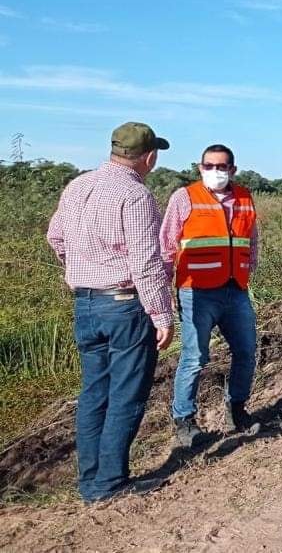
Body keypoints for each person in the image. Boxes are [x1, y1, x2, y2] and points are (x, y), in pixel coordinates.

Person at [46, 122, 175, 503]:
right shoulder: (135, 195)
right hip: (124, 305)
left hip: (86, 303)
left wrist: (81, 267)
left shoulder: (77, 185)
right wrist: (161, 315)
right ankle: (109, 484)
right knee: (125, 396)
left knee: (93, 394)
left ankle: (91, 483)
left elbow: (55, 237)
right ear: (149, 157)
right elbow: (146, 263)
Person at [160, 144, 260, 448]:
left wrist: (248, 269)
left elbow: (251, 238)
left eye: (221, 166)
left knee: (246, 351)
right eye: (209, 166)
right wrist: (164, 289)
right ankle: (184, 421)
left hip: (235, 289)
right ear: (200, 167)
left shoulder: (244, 197)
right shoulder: (185, 197)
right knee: (195, 357)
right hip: (196, 292)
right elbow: (167, 245)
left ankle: (237, 410)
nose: (215, 171)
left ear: (232, 169)